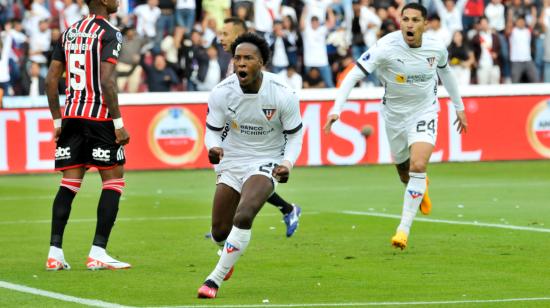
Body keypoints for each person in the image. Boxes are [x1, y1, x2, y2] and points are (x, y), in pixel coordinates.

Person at [323, 3, 468, 250]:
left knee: (418, 165)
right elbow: (353, 75)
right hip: (394, 116)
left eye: (414, 20)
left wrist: (459, 106)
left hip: (425, 111)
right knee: (404, 171)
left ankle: (403, 229)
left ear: (425, 24)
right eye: (405, 19)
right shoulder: (386, 47)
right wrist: (337, 109)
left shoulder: (436, 48)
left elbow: (447, 75)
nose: (409, 24)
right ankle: (421, 187)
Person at [197, 33, 303, 299]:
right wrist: (213, 148)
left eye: (248, 58)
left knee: (244, 215)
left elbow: (294, 136)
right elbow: (212, 130)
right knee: (219, 231)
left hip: (267, 159)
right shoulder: (222, 92)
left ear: (263, 62)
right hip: (232, 160)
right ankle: (228, 254)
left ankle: (214, 280)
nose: (241, 64)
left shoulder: (283, 93)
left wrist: (287, 163)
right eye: (237, 58)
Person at [44, 0, 131, 270]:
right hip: (99, 117)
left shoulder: (68, 32)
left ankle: (54, 253)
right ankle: (98, 252)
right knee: (114, 180)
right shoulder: (110, 32)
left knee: (69, 184)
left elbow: (50, 79)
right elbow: (106, 81)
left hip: (71, 116)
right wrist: (118, 122)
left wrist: (58, 119)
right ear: (104, 1)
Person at [220, 17, 302, 237]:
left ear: (238, 33)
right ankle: (225, 225)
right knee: (233, 176)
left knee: (250, 178)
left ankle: (285, 209)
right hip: (234, 134)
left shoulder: (252, 62)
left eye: (225, 34)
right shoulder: (233, 63)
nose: (221, 39)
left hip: (254, 136)